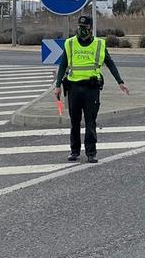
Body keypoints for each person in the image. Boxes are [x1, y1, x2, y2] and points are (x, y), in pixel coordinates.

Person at [53, 16, 130, 163]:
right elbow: (63, 65)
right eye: (80, 26)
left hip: (91, 89)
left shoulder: (99, 44)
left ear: (91, 28)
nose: (82, 30)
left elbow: (110, 63)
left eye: (85, 27)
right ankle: (74, 151)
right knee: (74, 122)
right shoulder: (70, 43)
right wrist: (57, 86)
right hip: (74, 88)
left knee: (90, 122)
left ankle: (91, 152)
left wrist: (120, 82)